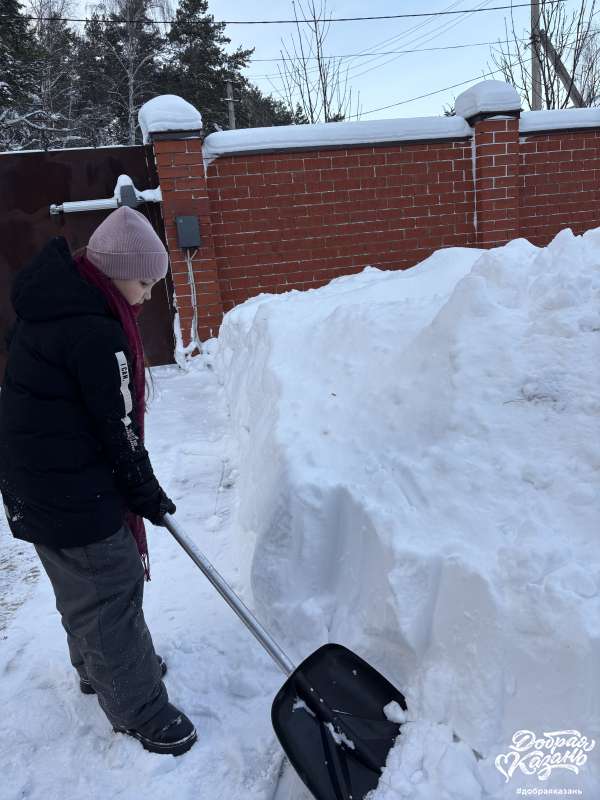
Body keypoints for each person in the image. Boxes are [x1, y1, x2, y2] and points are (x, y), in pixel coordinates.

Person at [0, 206, 197, 757]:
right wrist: (146, 493)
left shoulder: (56, 305)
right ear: (116, 273)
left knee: (81, 587)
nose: (149, 295)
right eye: (144, 282)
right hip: (67, 490)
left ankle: (102, 669)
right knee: (110, 588)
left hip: (37, 482)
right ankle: (138, 706)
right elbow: (120, 430)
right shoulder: (93, 331)